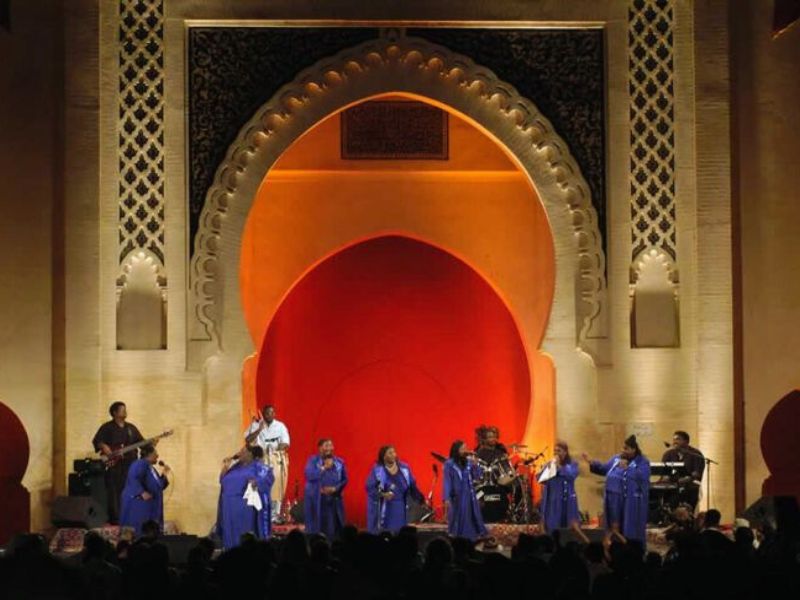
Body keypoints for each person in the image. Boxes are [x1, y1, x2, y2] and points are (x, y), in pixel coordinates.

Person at [582, 434, 650, 543]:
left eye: (626, 448)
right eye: (623, 448)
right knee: (613, 525)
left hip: (630, 501)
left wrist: (627, 469)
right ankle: (614, 544)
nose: (622, 450)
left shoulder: (642, 462)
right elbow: (604, 469)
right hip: (612, 498)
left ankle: (629, 544)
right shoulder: (616, 459)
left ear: (633, 450)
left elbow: (642, 477)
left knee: (627, 524)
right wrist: (591, 462)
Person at [92, 402, 145, 523]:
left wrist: (152, 443)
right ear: (114, 413)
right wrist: (104, 446)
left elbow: (142, 442)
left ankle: (130, 516)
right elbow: (97, 441)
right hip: (114, 465)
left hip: (130, 464)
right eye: (122, 410)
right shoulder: (107, 427)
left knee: (131, 489)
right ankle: (116, 518)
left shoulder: (131, 428)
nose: (125, 412)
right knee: (115, 491)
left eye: (125, 409)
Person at [217, 445, 274, 550]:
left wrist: (256, 482)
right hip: (229, 508)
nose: (239, 453)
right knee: (230, 536)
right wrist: (225, 467)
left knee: (244, 536)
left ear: (250, 454)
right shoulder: (235, 467)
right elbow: (222, 480)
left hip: (245, 508)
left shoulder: (258, 467)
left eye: (243, 451)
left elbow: (268, 477)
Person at [244, 404, 290, 521]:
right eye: (266, 413)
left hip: (275, 458)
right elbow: (248, 440)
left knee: (276, 486)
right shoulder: (256, 425)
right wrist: (259, 429)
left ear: (274, 414)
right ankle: (261, 513)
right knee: (260, 485)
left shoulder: (280, 426)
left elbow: (285, 443)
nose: (269, 415)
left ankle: (275, 514)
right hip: (261, 459)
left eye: (271, 413)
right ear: (263, 414)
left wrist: (276, 447)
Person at [365, 445, 426, 534]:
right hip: (385, 508)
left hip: (401, 507)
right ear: (384, 456)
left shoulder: (404, 468)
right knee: (386, 534)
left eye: (394, 452)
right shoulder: (377, 470)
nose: (394, 454)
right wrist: (383, 495)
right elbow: (370, 488)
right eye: (390, 453)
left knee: (400, 534)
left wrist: (421, 500)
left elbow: (412, 486)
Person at [119, 445, 169, 536]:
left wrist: (164, 473)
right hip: (139, 505)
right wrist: (141, 492)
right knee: (138, 532)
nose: (157, 456)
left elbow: (159, 486)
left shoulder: (151, 468)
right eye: (155, 453)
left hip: (152, 507)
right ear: (149, 455)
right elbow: (133, 477)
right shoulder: (140, 463)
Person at [443, 440, 487, 541]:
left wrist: (476, 465)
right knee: (458, 517)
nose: (465, 450)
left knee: (472, 516)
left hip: (470, 494)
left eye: (466, 448)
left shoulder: (469, 462)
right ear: (456, 450)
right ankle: (459, 538)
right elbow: (447, 481)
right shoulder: (449, 464)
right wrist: (446, 498)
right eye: (462, 448)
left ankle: (472, 537)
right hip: (457, 495)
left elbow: (477, 476)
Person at [304, 438, 347, 540]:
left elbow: (345, 479)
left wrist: (335, 489)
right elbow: (309, 475)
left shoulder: (339, 462)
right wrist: (323, 468)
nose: (329, 448)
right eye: (326, 445)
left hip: (333, 501)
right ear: (319, 448)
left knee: (333, 531)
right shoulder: (313, 461)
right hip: (317, 501)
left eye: (331, 445)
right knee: (316, 531)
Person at [538, 440, 582, 535]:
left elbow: (571, 476)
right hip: (553, 500)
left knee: (568, 527)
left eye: (559, 451)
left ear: (565, 452)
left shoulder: (573, 465)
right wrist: (546, 468)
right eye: (555, 451)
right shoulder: (551, 464)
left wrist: (559, 466)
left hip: (567, 500)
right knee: (553, 525)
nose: (556, 453)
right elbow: (540, 478)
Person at [661, 430, 705, 509]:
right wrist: (665, 478)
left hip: (690, 488)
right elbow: (664, 471)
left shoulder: (695, 454)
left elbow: (696, 473)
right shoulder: (668, 454)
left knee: (686, 514)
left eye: (678, 439)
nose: (675, 442)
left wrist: (685, 479)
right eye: (674, 439)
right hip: (671, 488)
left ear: (686, 441)